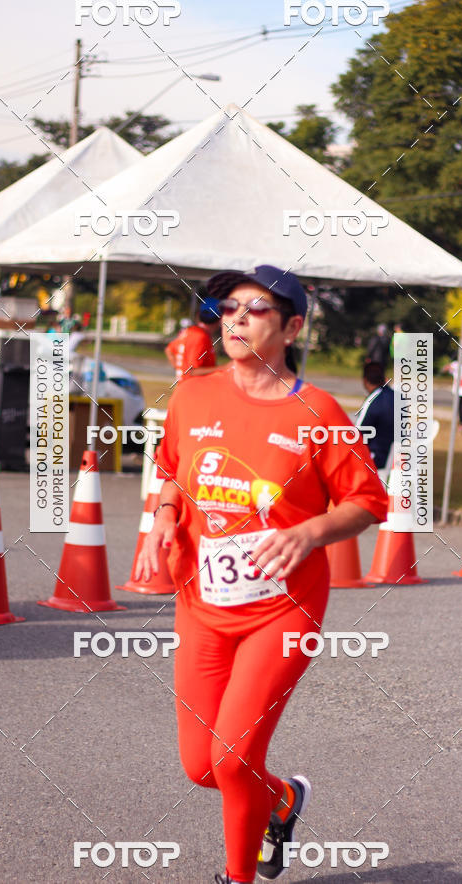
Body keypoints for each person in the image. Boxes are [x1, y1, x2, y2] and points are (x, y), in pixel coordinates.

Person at [135, 264, 388, 884]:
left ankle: (236, 877)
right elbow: (171, 471)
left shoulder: (318, 411)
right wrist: (164, 519)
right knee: (202, 766)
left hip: (282, 611)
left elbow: (367, 502)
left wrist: (309, 532)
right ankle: (280, 800)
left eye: (256, 309)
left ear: (293, 326)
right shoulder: (194, 393)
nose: (238, 318)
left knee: (233, 756)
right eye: (229, 309)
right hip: (203, 606)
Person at [165, 300, 220, 379]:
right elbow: (192, 371)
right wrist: (223, 368)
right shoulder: (200, 336)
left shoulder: (190, 331)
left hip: (184, 386)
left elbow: (169, 350)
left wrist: (180, 369)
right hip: (192, 388)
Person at [356, 361, 394, 471]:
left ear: (365, 380)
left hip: (376, 459)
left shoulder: (373, 400)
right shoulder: (397, 397)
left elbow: (357, 435)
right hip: (396, 457)